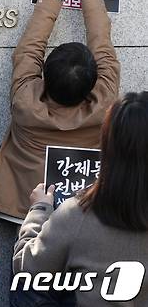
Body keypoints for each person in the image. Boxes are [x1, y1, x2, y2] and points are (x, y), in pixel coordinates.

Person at [0, 0, 121, 223]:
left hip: (25, 208)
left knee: (26, 265)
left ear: (44, 74)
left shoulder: (26, 101)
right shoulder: (105, 102)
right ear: (93, 82)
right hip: (83, 212)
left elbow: (29, 49)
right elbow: (103, 48)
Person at [12, 92, 148, 306]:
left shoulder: (79, 213)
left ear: (108, 145)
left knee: (25, 283)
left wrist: (39, 210)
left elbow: (27, 265)